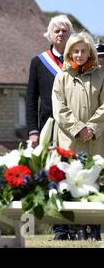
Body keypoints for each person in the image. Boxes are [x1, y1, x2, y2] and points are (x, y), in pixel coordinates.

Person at [25, 14, 75, 241]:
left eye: (65, 30)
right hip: (49, 127)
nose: (61, 34)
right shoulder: (39, 61)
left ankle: (77, 226)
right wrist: (33, 130)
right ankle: (60, 229)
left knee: (75, 174)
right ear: (50, 34)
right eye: (57, 30)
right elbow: (30, 98)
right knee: (54, 175)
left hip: (75, 127)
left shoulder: (79, 60)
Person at [52, 31, 103, 242]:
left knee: (95, 181)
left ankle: (95, 228)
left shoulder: (100, 75)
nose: (79, 55)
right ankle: (76, 228)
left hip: (96, 139)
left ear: (89, 51)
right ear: (69, 53)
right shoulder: (61, 77)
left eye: (83, 51)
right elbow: (59, 109)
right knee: (72, 182)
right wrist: (78, 129)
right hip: (69, 140)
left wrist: (91, 128)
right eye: (75, 51)